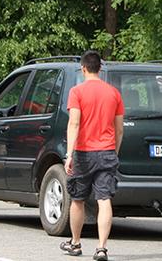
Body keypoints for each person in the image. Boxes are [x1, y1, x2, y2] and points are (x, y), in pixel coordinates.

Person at [58, 51, 123, 261]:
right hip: (107, 152)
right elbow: (119, 129)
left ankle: (76, 243)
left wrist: (69, 154)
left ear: (83, 68)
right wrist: (114, 152)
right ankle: (102, 248)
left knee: (78, 199)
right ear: (100, 68)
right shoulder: (114, 93)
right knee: (104, 200)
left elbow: (74, 123)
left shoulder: (77, 91)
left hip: (83, 154)